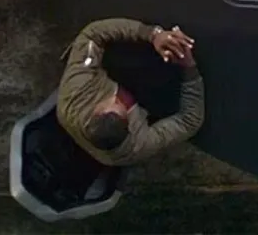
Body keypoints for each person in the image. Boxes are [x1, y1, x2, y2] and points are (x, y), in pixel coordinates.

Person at [56, 17, 205, 167]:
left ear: (96, 111)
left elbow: (92, 35)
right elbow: (189, 121)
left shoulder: (76, 88)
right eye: (122, 108)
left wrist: (153, 34)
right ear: (129, 129)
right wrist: (189, 68)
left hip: (116, 61)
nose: (118, 100)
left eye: (113, 102)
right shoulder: (136, 146)